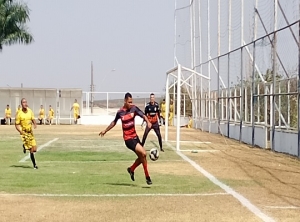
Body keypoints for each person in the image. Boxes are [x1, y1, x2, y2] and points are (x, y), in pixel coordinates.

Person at [99, 92, 153, 185]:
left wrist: (148, 121)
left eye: (131, 102)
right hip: (128, 140)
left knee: (142, 157)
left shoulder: (134, 108)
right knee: (144, 153)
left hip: (135, 137)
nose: (130, 104)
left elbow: (143, 115)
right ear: (125, 101)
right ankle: (147, 177)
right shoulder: (120, 112)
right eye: (129, 102)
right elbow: (114, 122)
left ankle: (131, 169)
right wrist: (105, 130)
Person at [15, 98, 38, 169]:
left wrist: (34, 124)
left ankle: (24, 146)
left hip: (30, 132)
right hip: (24, 133)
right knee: (31, 150)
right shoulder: (19, 113)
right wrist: (20, 131)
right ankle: (35, 165)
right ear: (21, 104)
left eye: (25, 102)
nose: (25, 103)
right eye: (23, 102)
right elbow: (17, 124)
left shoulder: (30, 111)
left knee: (35, 149)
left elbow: (33, 118)